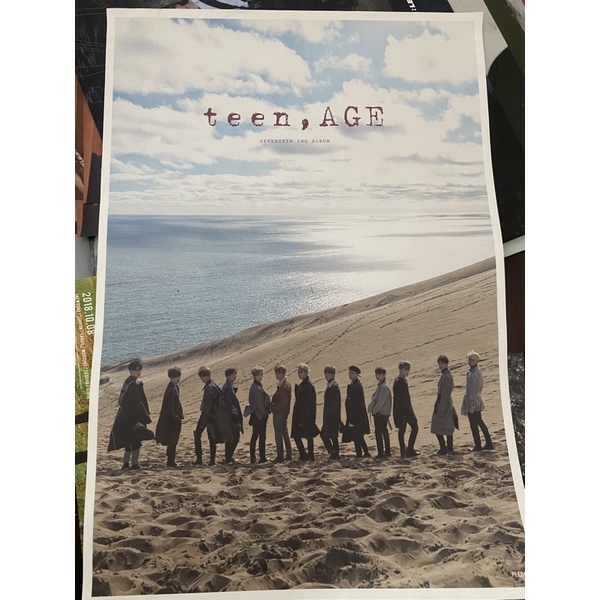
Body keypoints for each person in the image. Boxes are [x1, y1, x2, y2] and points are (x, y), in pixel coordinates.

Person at [107, 358, 152, 470]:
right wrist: (145, 417)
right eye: (136, 370)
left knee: (129, 441)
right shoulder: (133, 384)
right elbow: (138, 403)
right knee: (135, 441)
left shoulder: (128, 382)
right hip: (131, 418)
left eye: (139, 370)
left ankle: (126, 463)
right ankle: (134, 464)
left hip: (124, 416)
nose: (138, 372)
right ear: (131, 371)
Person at [194, 366, 232, 465]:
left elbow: (208, 406)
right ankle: (210, 460)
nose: (202, 379)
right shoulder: (212, 385)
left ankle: (202, 460)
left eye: (202, 377)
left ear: (206, 376)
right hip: (213, 416)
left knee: (201, 435)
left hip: (210, 416)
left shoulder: (210, 387)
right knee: (211, 438)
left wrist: (204, 420)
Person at [461, 351, 493, 451]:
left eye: (472, 360)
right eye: (469, 359)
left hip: (473, 402)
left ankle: (478, 445)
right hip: (475, 400)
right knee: (479, 422)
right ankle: (488, 443)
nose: (469, 361)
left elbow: (474, 391)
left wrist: (471, 403)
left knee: (474, 424)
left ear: (476, 361)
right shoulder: (474, 372)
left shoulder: (474, 374)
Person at [155, 367, 184, 467]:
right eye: (176, 377)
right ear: (171, 378)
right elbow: (170, 406)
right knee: (172, 440)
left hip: (172, 418)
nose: (178, 379)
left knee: (173, 440)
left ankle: (171, 460)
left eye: (179, 376)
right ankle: (171, 461)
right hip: (171, 419)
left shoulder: (174, 387)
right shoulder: (171, 389)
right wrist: (176, 417)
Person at [291, 363, 320, 461]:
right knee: (298, 435)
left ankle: (310, 455)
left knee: (308, 435)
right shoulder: (302, 385)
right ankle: (304, 454)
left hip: (306, 415)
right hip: (300, 414)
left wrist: (304, 416)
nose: (299, 374)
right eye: (298, 372)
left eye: (301, 372)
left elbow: (309, 403)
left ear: (306, 373)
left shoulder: (309, 385)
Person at [430, 355, 457, 455]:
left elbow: (445, 394)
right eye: (439, 363)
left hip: (444, 404)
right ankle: (447, 447)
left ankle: (445, 447)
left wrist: (441, 409)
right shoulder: (444, 375)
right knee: (444, 427)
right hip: (442, 402)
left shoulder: (447, 377)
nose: (440, 365)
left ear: (446, 364)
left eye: (442, 363)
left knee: (441, 426)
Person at [342, 365, 371, 458]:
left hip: (357, 416)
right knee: (358, 436)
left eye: (352, 373)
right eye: (349, 373)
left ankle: (360, 454)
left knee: (357, 436)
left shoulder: (357, 386)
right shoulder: (352, 385)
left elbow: (357, 404)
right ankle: (365, 452)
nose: (350, 375)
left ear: (357, 374)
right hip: (354, 415)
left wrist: (352, 419)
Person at [393, 361, 419, 458]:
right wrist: (407, 411)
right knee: (410, 428)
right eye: (405, 369)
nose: (407, 371)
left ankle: (406, 449)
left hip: (404, 409)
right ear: (400, 370)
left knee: (406, 429)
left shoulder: (401, 380)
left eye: (408, 369)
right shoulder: (399, 381)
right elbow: (402, 399)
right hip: (403, 410)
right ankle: (406, 450)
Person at [270, 363, 293, 463]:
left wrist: (272, 407)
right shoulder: (285, 383)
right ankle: (289, 453)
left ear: (282, 373)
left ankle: (280, 456)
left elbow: (284, 402)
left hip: (280, 413)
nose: (277, 375)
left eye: (278, 373)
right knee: (284, 432)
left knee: (278, 434)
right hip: (284, 413)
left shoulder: (283, 386)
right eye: (276, 373)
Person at [248, 367, 271, 463]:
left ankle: (255, 457)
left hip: (258, 415)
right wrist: (264, 413)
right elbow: (259, 404)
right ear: (254, 376)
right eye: (258, 375)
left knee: (257, 436)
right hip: (258, 416)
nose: (260, 377)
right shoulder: (255, 387)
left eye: (261, 375)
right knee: (259, 436)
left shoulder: (257, 386)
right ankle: (260, 457)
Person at [368, 367, 392, 459]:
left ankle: (382, 452)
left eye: (379, 374)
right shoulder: (381, 386)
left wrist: (374, 411)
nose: (377, 376)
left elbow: (380, 402)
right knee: (383, 432)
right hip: (381, 413)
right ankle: (386, 452)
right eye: (376, 374)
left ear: (383, 375)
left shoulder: (383, 387)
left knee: (380, 433)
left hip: (381, 414)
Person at [222, 368, 244, 463]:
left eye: (235, 374)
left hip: (230, 416)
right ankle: (228, 457)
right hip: (231, 416)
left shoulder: (229, 386)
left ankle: (228, 457)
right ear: (227, 376)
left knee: (232, 437)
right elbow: (229, 404)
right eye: (232, 374)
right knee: (234, 437)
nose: (234, 376)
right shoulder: (227, 388)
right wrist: (234, 416)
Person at [320, 365, 342, 460]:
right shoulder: (330, 385)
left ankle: (334, 452)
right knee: (332, 435)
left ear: (333, 374)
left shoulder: (334, 387)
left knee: (326, 434)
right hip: (329, 416)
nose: (326, 375)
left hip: (332, 417)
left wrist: (331, 418)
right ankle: (335, 452)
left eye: (328, 373)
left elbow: (334, 405)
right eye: (325, 373)